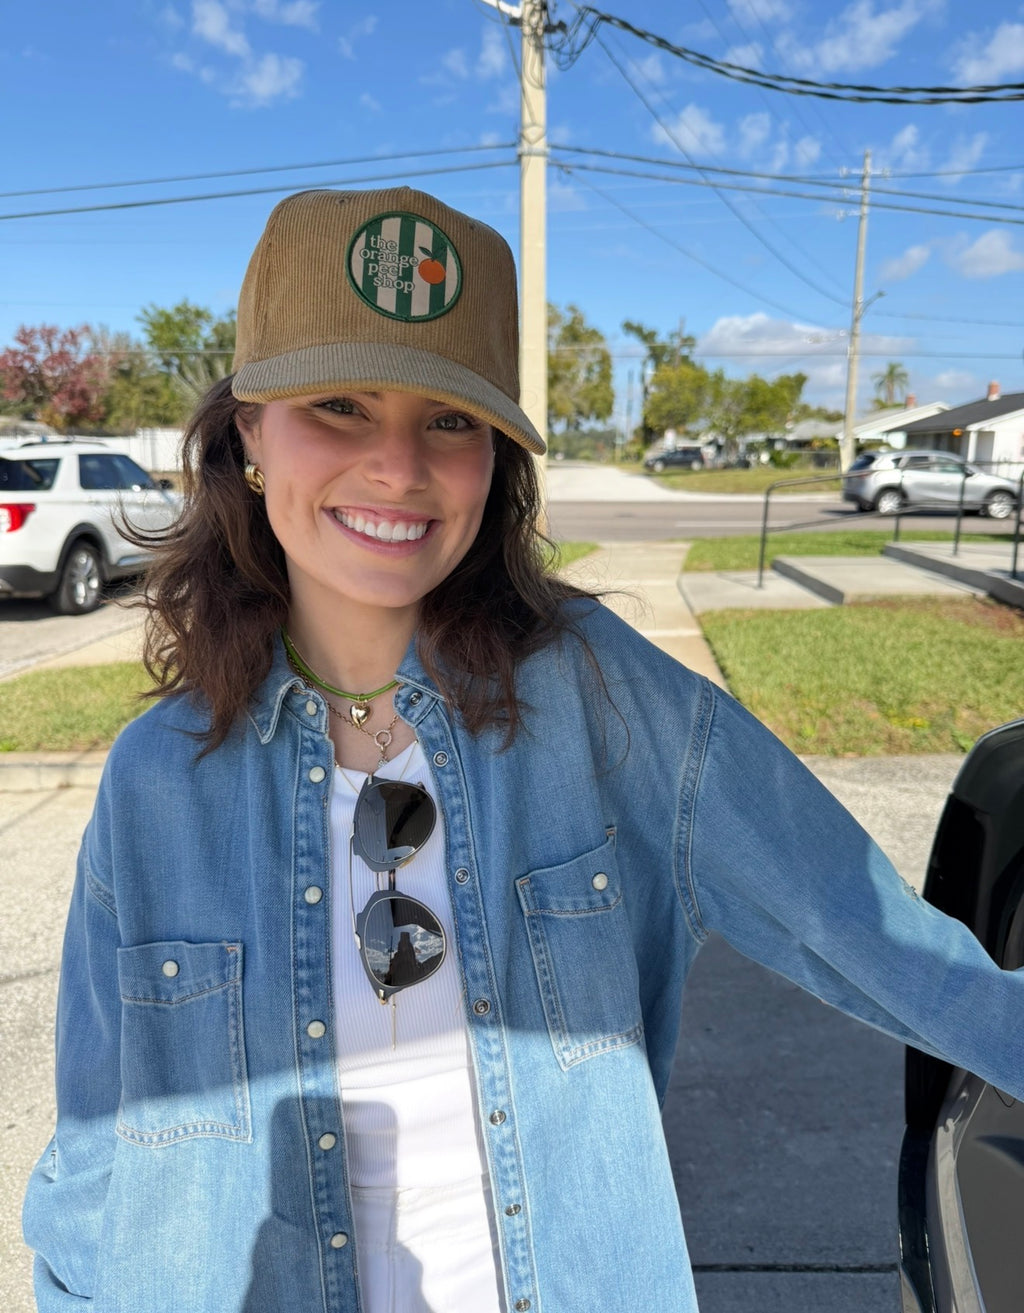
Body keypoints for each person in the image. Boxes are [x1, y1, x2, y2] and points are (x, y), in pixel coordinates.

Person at [22, 186, 1024, 1313]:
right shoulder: (157, 778)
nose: (398, 465)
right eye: (341, 403)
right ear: (250, 430)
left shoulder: (599, 701)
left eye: (449, 418)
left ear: (496, 455)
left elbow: (859, 923)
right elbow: (99, 1149)